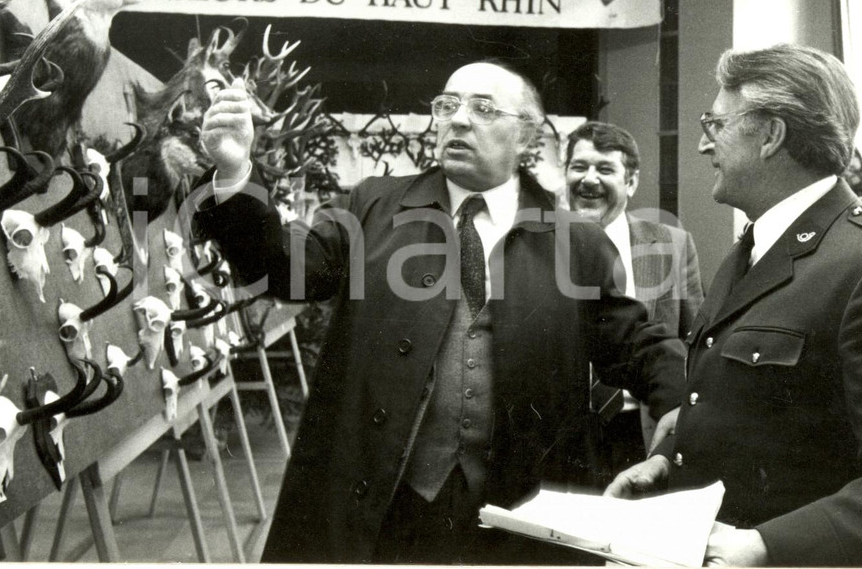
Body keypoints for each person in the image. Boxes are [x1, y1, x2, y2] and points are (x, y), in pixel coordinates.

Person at [191, 61, 686, 564]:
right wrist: (235, 173)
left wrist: (680, 401)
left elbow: (635, 343)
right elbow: (284, 269)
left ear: (526, 136)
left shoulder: (576, 242)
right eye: (447, 105)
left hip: (516, 517)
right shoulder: (372, 207)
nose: (459, 119)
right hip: (384, 503)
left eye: (483, 108)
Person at [605, 43, 862, 567]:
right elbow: (745, 407)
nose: (704, 143)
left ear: (771, 135)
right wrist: (666, 461)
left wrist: (768, 546)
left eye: (716, 124)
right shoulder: (756, 246)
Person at [565, 121, 703, 479]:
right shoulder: (538, 244)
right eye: (579, 167)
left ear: (631, 182)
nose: (589, 179)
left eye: (605, 169)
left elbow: (696, 344)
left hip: (642, 431)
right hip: (565, 435)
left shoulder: (672, 244)